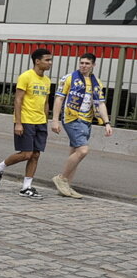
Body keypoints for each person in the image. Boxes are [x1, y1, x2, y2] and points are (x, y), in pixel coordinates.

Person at [0, 48, 53, 198]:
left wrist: (46, 119)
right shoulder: (26, 77)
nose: (50, 63)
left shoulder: (47, 80)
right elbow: (18, 100)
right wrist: (18, 123)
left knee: (35, 154)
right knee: (26, 154)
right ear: (37, 61)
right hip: (26, 120)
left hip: (40, 122)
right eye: (47, 60)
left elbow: (45, 102)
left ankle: (26, 187)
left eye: (51, 60)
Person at [50, 53, 114, 198]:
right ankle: (61, 178)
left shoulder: (96, 82)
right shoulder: (69, 78)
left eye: (87, 63)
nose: (83, 66)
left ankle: (67, 186)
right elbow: (59, 99)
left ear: (93, 65)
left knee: (75, 154)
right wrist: (55, 119)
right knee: (83, 150)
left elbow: (100, 103)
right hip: (71, 118)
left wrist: (107, 123)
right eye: (82, 63)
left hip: (87, 120)